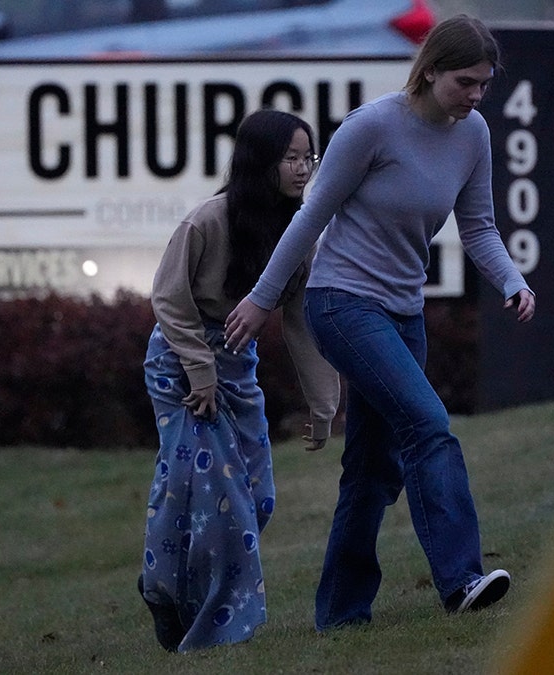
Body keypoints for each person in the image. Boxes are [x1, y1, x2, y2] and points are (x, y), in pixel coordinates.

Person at [224, 15, 537, 632]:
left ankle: (340, 614)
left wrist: (511, 280)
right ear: (429, 72)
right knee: (428, 424)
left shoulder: (473, 133)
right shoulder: (371, 127)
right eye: (465, 82)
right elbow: (311, 217)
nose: (476, 95)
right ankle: (462, 579)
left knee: (373, 467)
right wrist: (262, 298)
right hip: (342, 303)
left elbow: (478, 226)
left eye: (485, 84)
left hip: (403, 310)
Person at [139, 109, 341, 652]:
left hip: (236, 369)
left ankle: (162, 587)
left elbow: (300, 321)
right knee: (219, 499)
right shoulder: (207, 221)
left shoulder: (297, 232)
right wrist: (199, 371)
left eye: (309, 157)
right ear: (260, 161)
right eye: (292, 158)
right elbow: (167, 298)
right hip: (179, 367)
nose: (304, 169)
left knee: (256, 498)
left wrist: (323, 407)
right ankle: (217, 630)